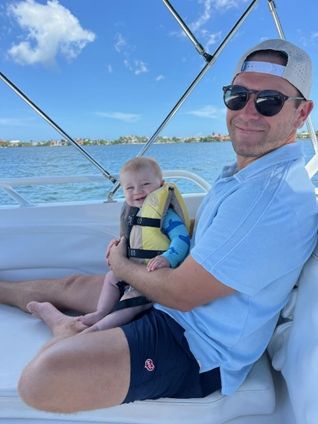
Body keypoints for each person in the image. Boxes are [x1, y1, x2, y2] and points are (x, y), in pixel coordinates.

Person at [1, 39, 317, 414]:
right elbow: (221, 231)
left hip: (194, 344)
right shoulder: (249, 173)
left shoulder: (271, 197)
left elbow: (183, 295)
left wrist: (122, 265)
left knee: (41, 379)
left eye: (269, 101)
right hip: (171, 298)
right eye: (237, 96)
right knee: (70, 285)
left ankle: (64, 330)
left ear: (301, 114)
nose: (248, 111)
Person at [75, 156, 190, 333]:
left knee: (129, 302)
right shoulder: (135, 213)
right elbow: (135, 240)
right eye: (130, 187)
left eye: (145, 184)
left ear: (160, 184)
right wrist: (118, 244)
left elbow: (182, 239)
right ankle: (101, 312)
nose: (137, 191)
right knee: (111, 278)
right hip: (134, 270)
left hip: (154, 275)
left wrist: (168, 259)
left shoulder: (166, 216)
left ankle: (98, 329)